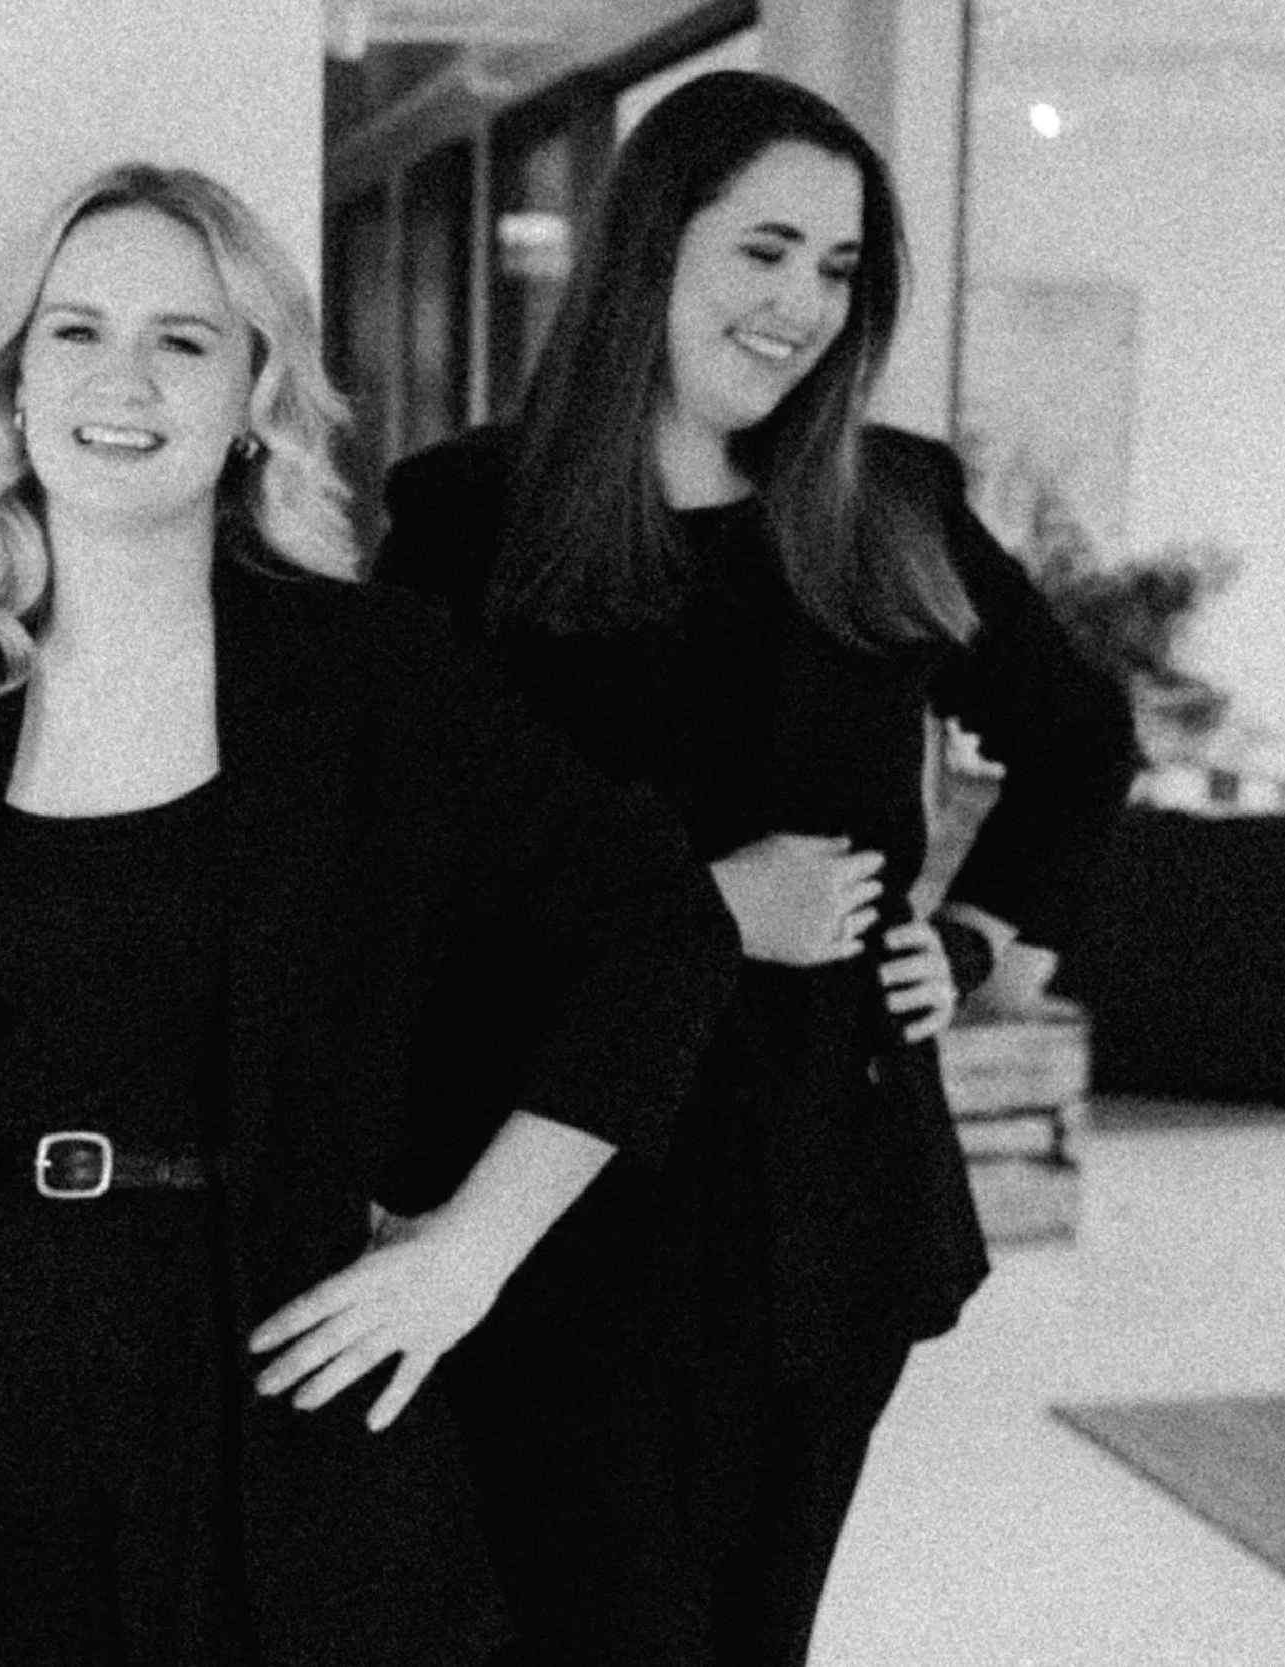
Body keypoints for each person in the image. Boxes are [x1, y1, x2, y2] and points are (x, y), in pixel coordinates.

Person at [0, 163, 736, 1667]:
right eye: (76, 332)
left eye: (184, 341)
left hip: (285, 1401)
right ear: (17, 381)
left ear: (255, 393)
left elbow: (660, 930)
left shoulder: (374, 680)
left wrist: (470, 1252)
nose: (121, 380)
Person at [375, 71, 1140, 1667]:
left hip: (826, 1221)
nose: (802, 304)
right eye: (765, 249)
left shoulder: (891, 506)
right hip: (565, 1215)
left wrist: (976, 942)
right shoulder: (469, 518)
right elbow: (402, 878)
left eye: (840, 268)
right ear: (654, 243)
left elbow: (1078, 737)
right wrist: (708, 907)